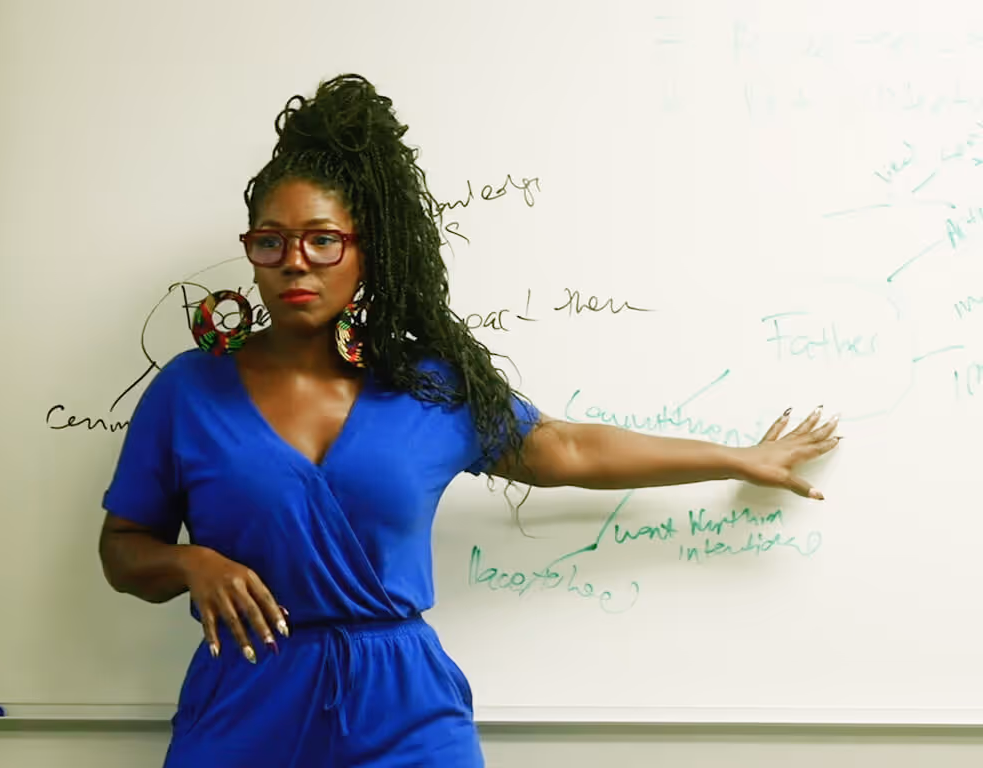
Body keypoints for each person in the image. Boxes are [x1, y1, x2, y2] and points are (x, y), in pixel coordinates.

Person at [98, 74, 840, 767]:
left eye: (323, 239)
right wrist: (190, 563)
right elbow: (123, 549)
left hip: (404, 709)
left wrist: (737, 457)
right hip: (244, 704)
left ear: (366, 250)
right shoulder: (189, 392)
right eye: (270, 240)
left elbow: (568, 449)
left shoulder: (427, 386)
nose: (296, 261)